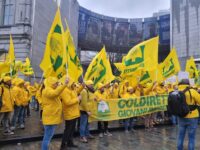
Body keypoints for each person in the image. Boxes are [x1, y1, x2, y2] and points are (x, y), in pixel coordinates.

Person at [41, 77, 69, 150]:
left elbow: (57, 93)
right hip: (50, 117)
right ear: (51, 83)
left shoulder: (50, 89)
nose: (57, 84)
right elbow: (55, 93)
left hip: (52, 117)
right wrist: (64, 84)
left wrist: (62, 85)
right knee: (47, 137)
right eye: (56, 83)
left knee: (48, 136)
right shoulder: (47, 90)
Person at [177, 79, 200, 150]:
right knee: (191, 137)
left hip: (181, 116)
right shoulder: (192, 91)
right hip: (192, 116)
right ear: (188, 84)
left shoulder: (177, 91)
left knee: (180, 136)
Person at [60, 80, 81, 150]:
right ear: (70, 83)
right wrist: (77, 99)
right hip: (69, 114)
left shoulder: (73, 89)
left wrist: (83, 86)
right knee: (68, 130)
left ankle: (70, 143)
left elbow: (77, 91)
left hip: (74, 113)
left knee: (72, 130)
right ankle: (63, 145)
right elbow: (68, 102)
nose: (75, 84)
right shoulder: (65, 90)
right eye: (73, 83)